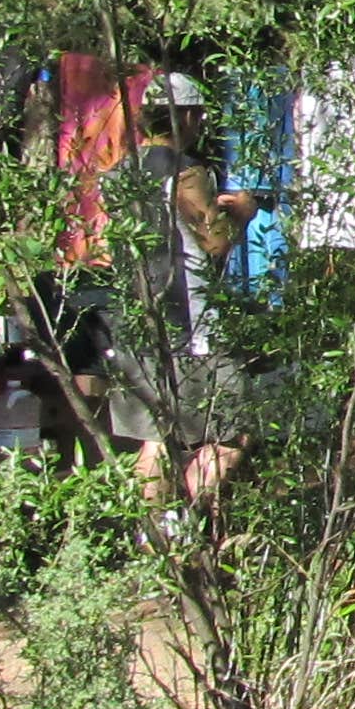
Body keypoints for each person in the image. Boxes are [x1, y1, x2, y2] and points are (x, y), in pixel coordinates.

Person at [110, 71, 264, 506]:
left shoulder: (120, 172)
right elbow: (214, 241)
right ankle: (188, 522)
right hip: (191, 326)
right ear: (190, 118)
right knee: (233, 432)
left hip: (136, 321)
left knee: (157, 438)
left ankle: (155, 540)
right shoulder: (186, 172)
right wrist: (244, 214)